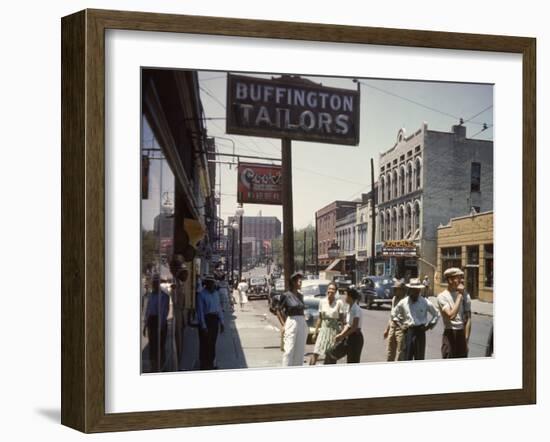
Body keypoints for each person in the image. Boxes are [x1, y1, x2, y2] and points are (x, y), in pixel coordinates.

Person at [392, 278, 439, 360]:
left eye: (418, 290)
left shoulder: (425, 302)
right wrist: (400, 326)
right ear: (410, 290)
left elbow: (436, 314)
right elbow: (393, 314)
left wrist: (429, 326)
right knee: (407, 357)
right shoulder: (404, 302)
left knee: (419, 358)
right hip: (409, 332)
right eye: (414, 290)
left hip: (420, 332)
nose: (416, 292)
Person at [437, 267, 471, 358]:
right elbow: (451, 315)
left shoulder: (466, 295)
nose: (461, 280)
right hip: (450, 333)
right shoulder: (442, 296)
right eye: (458, 277)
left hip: (461, 334)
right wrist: (459, 295)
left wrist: (466, 339)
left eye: (461, 277)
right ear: (450, 280)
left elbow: (468, 318)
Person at [324, 288, 364, 364]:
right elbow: (348, 324)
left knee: (352, 361)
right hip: (348, 336)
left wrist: (342, 335)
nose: (344, 297)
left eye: (346, 295)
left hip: (355, 338)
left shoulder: (356, 309)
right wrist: (341, 335)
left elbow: (354, 327)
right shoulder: (349, 307)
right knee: (332, 353)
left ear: (350, 297)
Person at [309, 281, 345, 365]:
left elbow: (342, 319)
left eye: (333, 289)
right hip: (323, 330)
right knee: (316, 351)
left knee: (331, 355)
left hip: (333, 331)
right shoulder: (322, 301)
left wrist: (342, 334)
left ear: (336, 291)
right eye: (329, 288)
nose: (331, 291)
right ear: (327, 290)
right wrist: (315, 332)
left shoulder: (339, 303)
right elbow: (320, 318)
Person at [276, 271, 308, 366]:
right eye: (299, 281)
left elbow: (302, 309)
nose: (301, 282)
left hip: (301, 322)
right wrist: (283, 324)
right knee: (289, 350)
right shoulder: (286, 295)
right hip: (291, 321)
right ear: (293, 282)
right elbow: (278, 310)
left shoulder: (300, 296)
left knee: (300, 351)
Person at [196, 274, 225, 370]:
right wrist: (203, 326)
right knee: (204, 344)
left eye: (213, 283)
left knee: (212, 343)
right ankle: (203, 364)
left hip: (214, 321)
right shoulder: (201, 295)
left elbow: (219, 308)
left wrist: (222, 322)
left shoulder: (216, 294)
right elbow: (200, 312)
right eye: (211, 283)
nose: (213, 285)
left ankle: (211, 364)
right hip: (206, 320)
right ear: (207, 284)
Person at [143, 273, 170, 372]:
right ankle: (153, 367)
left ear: (159, 283)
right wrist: (145, 326)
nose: (154, 284)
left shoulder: (164, 296)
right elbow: (148, 311)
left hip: (160, 322)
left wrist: (161, 325)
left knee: (160, 346)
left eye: (156, 282)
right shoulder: (151, 295)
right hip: (152, 321)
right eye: (153, 282)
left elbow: (164, 312)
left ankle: (162, 366)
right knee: (152, 346)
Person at [383, 279, 407, 361]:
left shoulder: (406, 301)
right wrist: (387, 329)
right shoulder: (394, 299)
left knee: (401, 351)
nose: (394, 290)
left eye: (397, 289)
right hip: (393, 326)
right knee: (390, 350)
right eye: (395, 289)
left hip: (401, 327)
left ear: (402, 290)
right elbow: (391, 315)